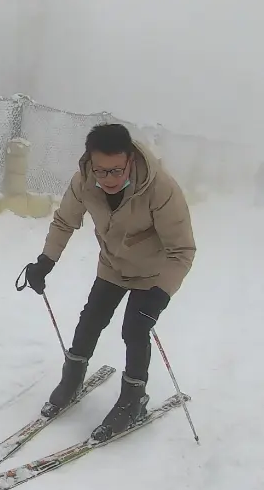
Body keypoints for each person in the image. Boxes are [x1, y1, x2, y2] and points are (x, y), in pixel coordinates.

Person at [21, 123, 196, 441]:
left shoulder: (160, 188)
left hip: (152, 273)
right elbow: (65, 221)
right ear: (90, 162)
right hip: (113, 266)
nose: (108, 179)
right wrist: (45, 261)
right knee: (90, 320)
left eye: (116, 170)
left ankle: (134, 399)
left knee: (134, 329)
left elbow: (182, 250)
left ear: (130, 159)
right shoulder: (85, 181)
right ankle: (72, 379)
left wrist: (159, 296)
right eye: (101, 171)